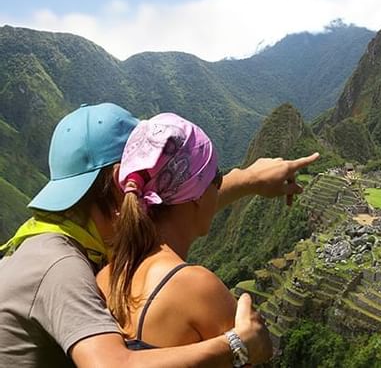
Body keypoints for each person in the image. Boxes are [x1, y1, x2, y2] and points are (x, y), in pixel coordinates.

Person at [0, 103, 319, 367]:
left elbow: (171, 209)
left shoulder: (98, 255)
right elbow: (111, 366)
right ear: (120, 181)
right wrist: (237, 345)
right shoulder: (60, 267)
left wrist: (250, 179)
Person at [95, 113, 258, 361]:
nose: (219, 185)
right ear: (196, 195)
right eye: (216, 176)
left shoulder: (106, 278)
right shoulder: (198, 290)